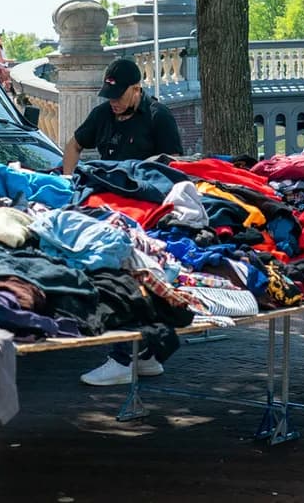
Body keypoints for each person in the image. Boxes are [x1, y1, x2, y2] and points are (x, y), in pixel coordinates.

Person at [62, 57, 185, 386]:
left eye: (118, 97)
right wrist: (67, 180)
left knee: (125, 274)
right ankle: (146, 353)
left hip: (144, 210)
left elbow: (172, 169)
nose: (112, 103)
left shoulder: (160, 118)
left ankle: (122, 356)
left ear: (137, 90)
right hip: (106, 206)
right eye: (108, 96)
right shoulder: (103, 113)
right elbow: (73, 145)